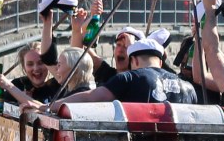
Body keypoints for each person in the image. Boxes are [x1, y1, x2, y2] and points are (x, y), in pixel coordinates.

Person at [48, 37, 197, 111]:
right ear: (159, 62)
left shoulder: (129, 78)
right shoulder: (188, 87)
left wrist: (49, 107)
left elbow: (90, 97)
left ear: (134, 61)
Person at [0, 42, 60, 106]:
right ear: (24, 67)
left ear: (48, 64)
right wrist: (17, 103)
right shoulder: (18, 85)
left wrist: (23, 98)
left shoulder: (59, 86)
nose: (36, 68)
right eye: (30, 64)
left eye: (40, 63)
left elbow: (46, 109)